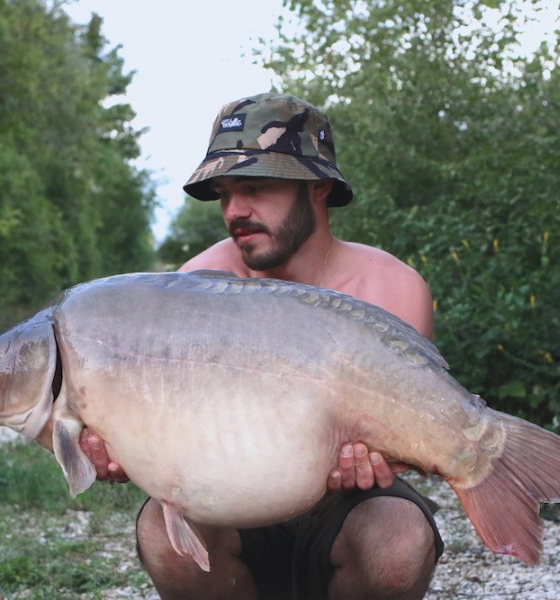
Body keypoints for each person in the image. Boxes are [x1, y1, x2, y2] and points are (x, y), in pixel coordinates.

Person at [81, 92, 444, 599]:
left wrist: (390, 453)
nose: (235, 211)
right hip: (227, 497)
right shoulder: (196, 286)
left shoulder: (390, 290)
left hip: (346, 504)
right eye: (224, 194)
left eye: (254, 187)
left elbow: (406, 437)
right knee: (162, 535)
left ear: (319, 186)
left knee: (398, 541)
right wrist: (124, 446)